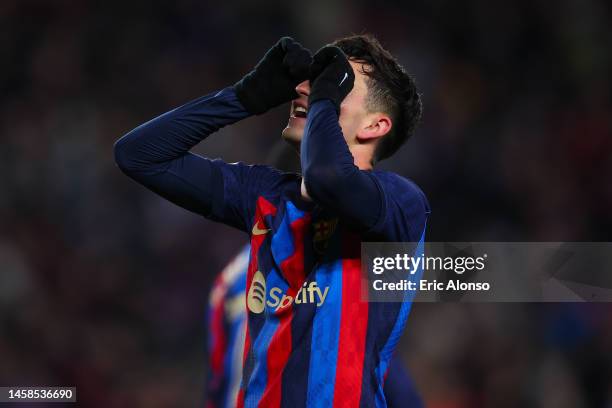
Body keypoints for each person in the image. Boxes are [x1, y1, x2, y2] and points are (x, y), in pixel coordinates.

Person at [114, 34, 429, 407]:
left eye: (337, 80)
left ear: (375, 126)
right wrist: (243, 98)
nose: (307, 88)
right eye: (318, 77)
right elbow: (139, 156)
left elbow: (331, 179)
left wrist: (322, 102)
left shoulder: (401, 203)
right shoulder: (267, 196)